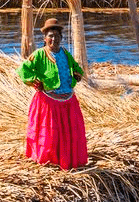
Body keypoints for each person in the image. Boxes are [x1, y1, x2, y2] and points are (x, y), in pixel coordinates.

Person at [18, 18, 87, 169]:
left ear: (61, 38)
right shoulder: (39, 55)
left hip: (68, 99)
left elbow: (77, 67)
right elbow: (23, 70)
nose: (54, 39)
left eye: (57, 36)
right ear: (44, 38)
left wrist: (77, 74)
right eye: (50, 35)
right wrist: (35, 81)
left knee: (69, 132)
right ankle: (49, 160)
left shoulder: (65, 54)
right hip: (49, 101)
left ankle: (67, 159)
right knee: (50, 133)